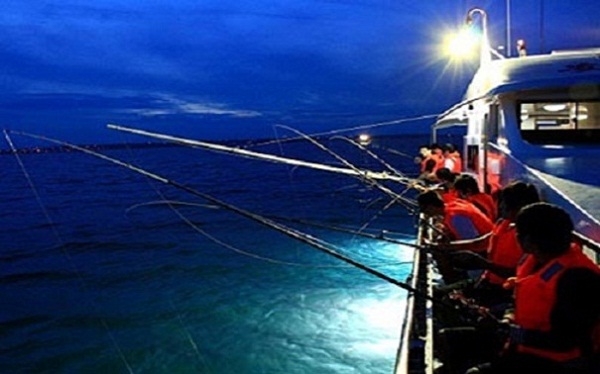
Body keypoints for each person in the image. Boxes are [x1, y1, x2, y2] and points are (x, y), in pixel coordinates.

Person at [466, 203, 600, 373]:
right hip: (526, 349)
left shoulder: (578, 278)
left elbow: (566, 340)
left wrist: (509, 332)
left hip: (560, 363)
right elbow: (518, 302)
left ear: (527, 240)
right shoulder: (536, 261)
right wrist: (507, 319)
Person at [417, 190, 493, 283]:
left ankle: (452, 283)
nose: (425, 213)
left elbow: (475, 242)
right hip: (484, 245)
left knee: (439, 253)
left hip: (485, 251)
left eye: (424, 209)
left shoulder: (456, 217)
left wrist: (444, 246)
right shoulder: (453, 205)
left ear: (431, 207)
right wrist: (445, 235)